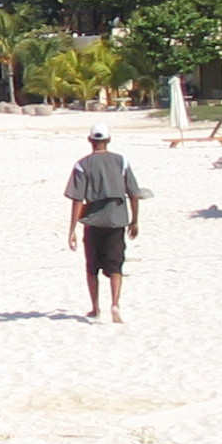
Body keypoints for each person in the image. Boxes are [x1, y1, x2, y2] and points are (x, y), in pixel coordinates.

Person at [65, 123, 147, 323]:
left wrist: (72, 228)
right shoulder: (121, 161)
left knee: (92, 267)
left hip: (93, 221)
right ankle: (115, 304)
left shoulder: (82, 164)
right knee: (116, 264)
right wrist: (134, 221)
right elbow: (133, 194)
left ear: (90, 140)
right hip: (117, 220)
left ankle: (95, 308)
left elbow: (77, 199)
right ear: (108, 140)